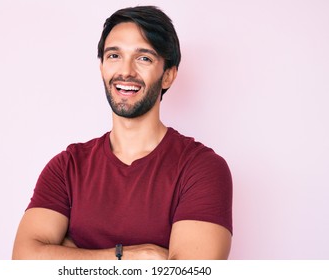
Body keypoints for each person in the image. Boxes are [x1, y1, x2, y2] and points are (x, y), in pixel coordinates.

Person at [12, 5, 232, 260]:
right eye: (114, 56)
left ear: (168, 76)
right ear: (102, 66)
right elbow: (24, 260)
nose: (126, 71)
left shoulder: (201, 168)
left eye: (144, 58)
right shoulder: (67, 167)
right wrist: (130, 256)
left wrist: (70, 255)